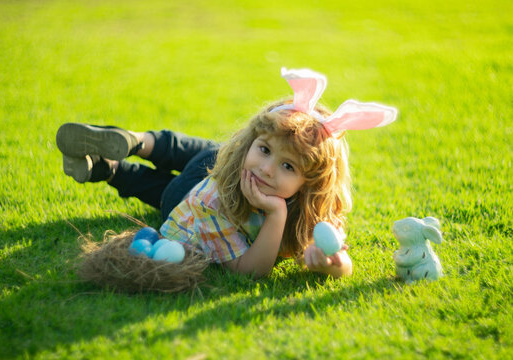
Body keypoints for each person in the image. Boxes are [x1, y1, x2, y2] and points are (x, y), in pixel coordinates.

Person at [56, 68, 397, 278]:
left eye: (288, 166)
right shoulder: (213, 200)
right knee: (178, 185)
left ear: (313, 182)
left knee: (203, 154)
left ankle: (130, 149)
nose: (266, 169)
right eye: (264, 149)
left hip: (213, 167)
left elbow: (340, 255)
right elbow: (250, 272)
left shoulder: (311, 204)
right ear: (251, 142)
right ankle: (115, 164)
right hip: (195, 199)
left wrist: (334, 265)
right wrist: (277, 213)